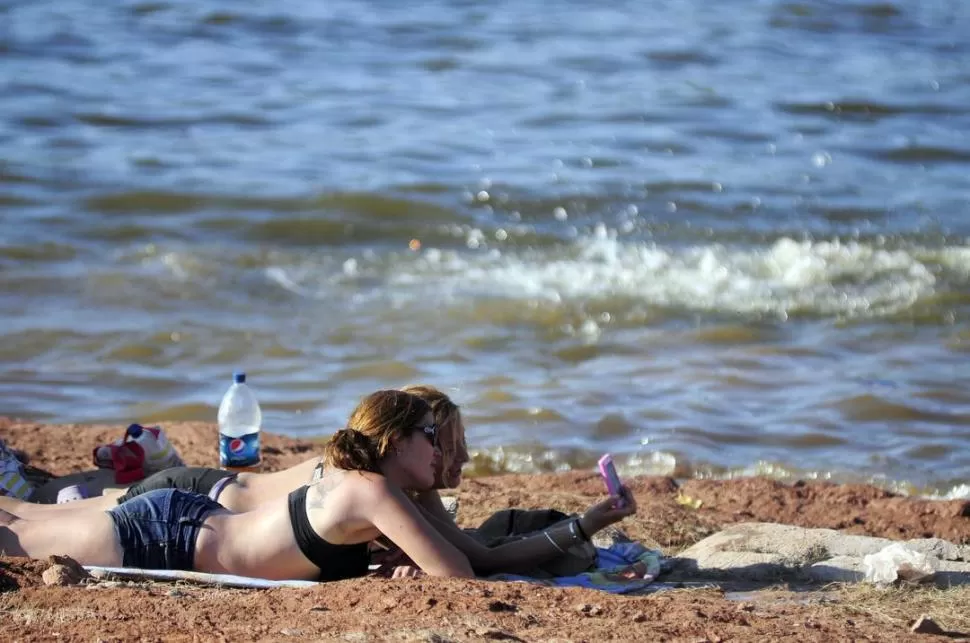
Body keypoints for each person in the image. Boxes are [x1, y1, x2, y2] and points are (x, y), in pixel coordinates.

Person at [0, 389, 479, 580]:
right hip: (167, 537)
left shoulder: (362, 484)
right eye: (432, 436)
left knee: (21, 515)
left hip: (186, 520)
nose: (440, 450)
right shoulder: (373, 491)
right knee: (15, 535)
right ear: (395, 442)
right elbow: (459, 573)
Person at [0, 384, 466, 519]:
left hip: (205, 493)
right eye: (446, 445)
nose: (458, 459)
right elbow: (460, 557)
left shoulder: (387, 480)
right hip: (199, 498)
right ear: (398, 442)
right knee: (47, 509)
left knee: (85, 505)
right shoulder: (380, 485)